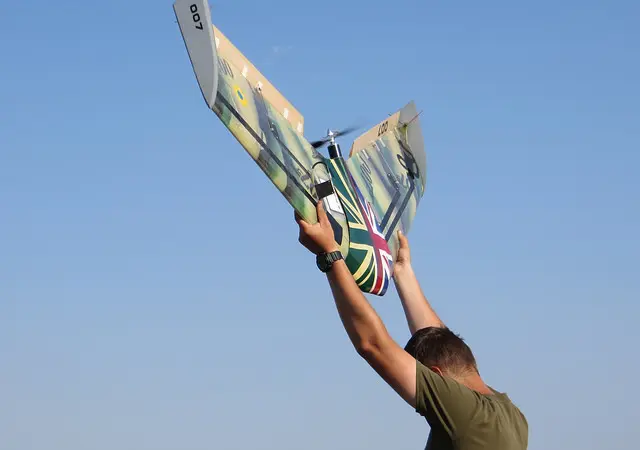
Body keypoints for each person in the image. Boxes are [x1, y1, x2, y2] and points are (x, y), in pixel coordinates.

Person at [295, 201, 528, 450]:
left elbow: (373, 345)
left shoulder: (466, 417)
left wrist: (330, 255)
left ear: (437, 376)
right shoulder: (513, 417)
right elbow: (439, 338)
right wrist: (403, 272)